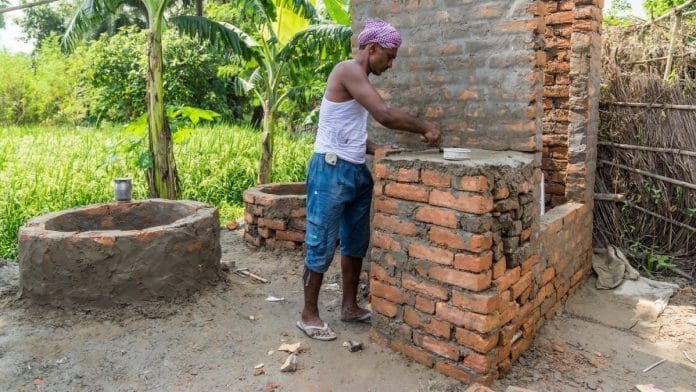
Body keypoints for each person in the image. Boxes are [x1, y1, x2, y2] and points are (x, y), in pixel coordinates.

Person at [296, 19, 442, 341]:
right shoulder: (347, 69)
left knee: (355, 242)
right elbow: (385, 115)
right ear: (371, 48)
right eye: (388, 57)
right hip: (330, 169)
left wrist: (375, 149)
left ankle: (349, 306)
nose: (390, 64)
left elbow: (344, 129)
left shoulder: (358, 77)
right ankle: (309, 315)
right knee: (321, 241)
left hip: (354, 170)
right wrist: (425, 128)